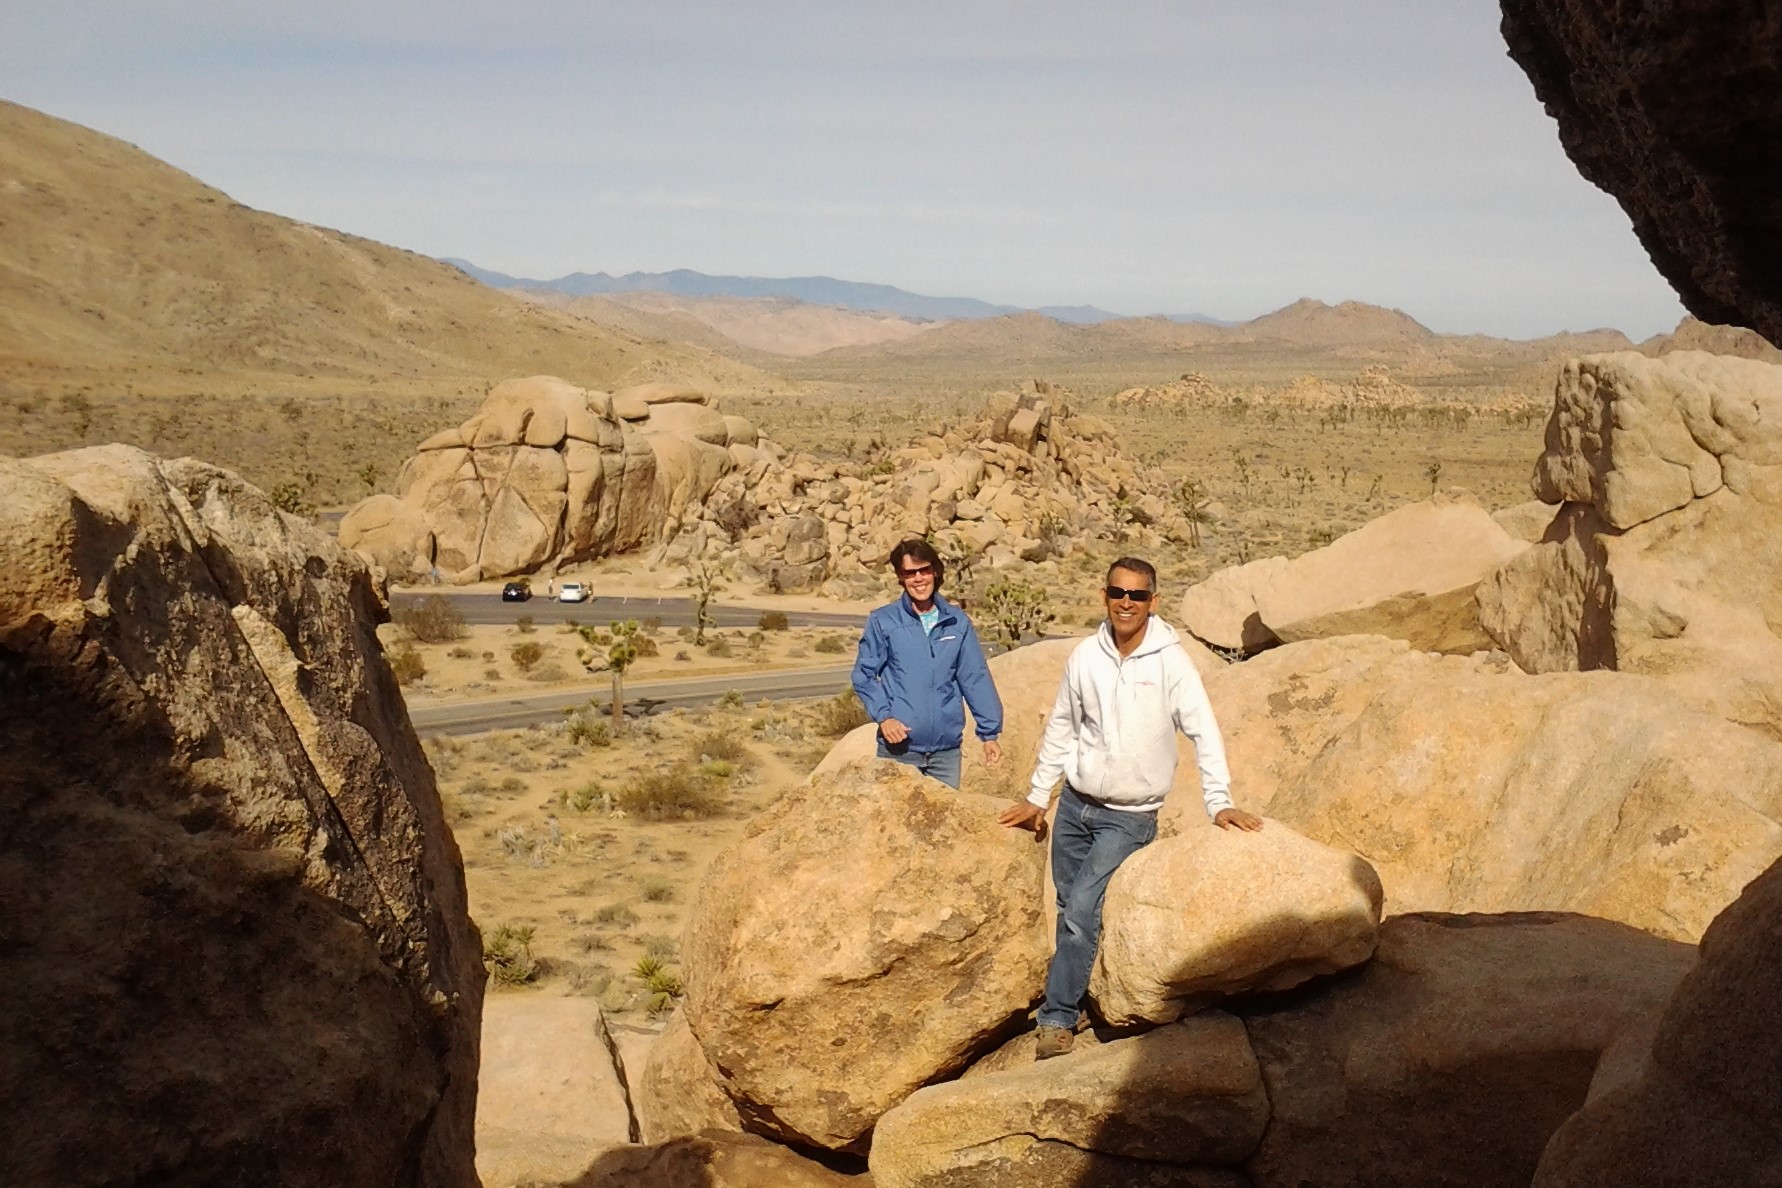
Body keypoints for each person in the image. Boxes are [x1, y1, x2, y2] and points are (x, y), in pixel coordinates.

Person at [999, 556, 1262, 1060]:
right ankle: (1077, 998)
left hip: (1129, 816)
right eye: (1118, 593)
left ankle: (1055, 1018)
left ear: (1152, 602)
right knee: (1066, 906)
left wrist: (1219, 802)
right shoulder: (1085, 658)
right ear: (1105, 596)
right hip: (1076, 806)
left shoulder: (1171, 662)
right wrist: (1038, 797)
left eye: (1137, 595)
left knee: (1080, 912)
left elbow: (1203, 730)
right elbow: (1061, 727)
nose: (1126, 603)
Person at [851, 538, 1004, 788]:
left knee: (942, 826)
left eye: (924, 570)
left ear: (935, 571)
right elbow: (863, 676)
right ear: (901, 577)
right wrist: (885, 717)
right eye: (910, 573)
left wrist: (989, 735)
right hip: (899, 752)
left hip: (946, 755)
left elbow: (974, 678)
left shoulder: (956, 622)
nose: (918, 579)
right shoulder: (884, 621)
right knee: (894, 825)